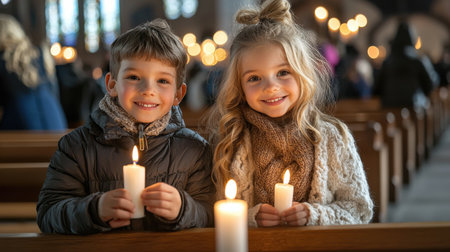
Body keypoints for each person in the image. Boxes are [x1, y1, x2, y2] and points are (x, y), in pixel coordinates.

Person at [37, 19, 215, 234]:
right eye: (133, 77)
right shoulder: (77, 146)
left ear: (179, 94)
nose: (148, 89)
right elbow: (48, 214)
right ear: (112, 84)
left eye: (162, 81)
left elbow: (210, 213)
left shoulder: (194, 150)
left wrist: (184, 208)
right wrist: (94, 210)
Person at [207, 0, 373, 227]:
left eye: (283, 72)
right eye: (254, 78)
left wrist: (314, 215)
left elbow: (359, 209)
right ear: (239, 87)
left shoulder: (333, 138)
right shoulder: (231, 141)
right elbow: (215, 212)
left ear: (302, 74)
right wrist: (251, 217)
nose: (271, 87)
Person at [0, 14, 67, 130]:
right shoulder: (41, 55)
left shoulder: (3, 60)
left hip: (20, 133)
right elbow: (55, 94)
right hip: (57, 129)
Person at [373, 21, 437, 108]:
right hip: (414, 109)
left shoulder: (387, 62)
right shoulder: (419, 61)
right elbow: (430, 85)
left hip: (389, 109)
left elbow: (376, 89)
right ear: (412, 40)